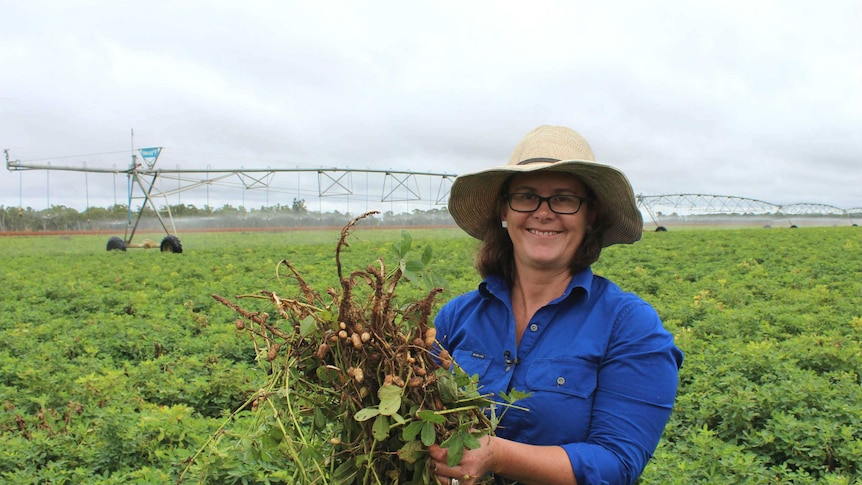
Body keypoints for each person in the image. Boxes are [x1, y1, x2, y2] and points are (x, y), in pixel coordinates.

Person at [429, 125, 683, 485]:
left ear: (590, 214)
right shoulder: (457, 316)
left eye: (564, 199)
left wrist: (497, 455)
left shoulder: (629, 325)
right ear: (505, 210)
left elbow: (617, 463)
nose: (543, 213)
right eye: (526, 196)